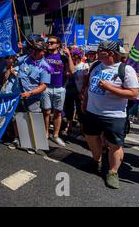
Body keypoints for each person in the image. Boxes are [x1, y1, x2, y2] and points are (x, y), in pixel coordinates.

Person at [81, 41, 139, 189]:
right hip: (92, 112)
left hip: (114, 116)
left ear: (110, 53)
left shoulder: (126, 70)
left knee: (115, 145)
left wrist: (109, 87)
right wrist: (85, 102)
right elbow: (88, 87)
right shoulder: (95, 65)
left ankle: (113, 172)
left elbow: (133, 94)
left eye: (101, 50)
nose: (97, 52)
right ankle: (97, 161)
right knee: (91, 137)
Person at [8, 40, 51, 153]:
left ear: (43, 51)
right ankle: (17, 139)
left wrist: (30, 93)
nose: (33, 51)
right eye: (33, 49)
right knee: (16, 117)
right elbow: (11, 62)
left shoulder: (45, 67)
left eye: (37, 50)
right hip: (17, 93)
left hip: (32, 97)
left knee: (33, 119)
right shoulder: (26, 58)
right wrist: (15, 50)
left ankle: (33, 143)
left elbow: (43, 86)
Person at [41, 36, 74, 147]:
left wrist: (69, 56)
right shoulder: (44, 54)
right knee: (46, 112)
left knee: (58, 113)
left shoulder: (63, 57)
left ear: (58, 44)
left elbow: (72, 71)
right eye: (48, 42)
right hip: (46, 87)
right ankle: (45, 133)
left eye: (52, 42)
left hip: (60, 88)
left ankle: (55, 135)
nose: (49, 44)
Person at [63, 48, 89, 135]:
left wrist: (83, 91)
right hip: (69, 89)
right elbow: (68, 72)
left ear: (78, 56)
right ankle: (69, 125)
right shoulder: (68, 64)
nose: (72, 57)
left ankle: (82, 127)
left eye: (73, 55)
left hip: (79, 90)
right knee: (68, 108)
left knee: (80, 109)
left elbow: (85, 80)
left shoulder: (84, 66)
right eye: (71, 55)